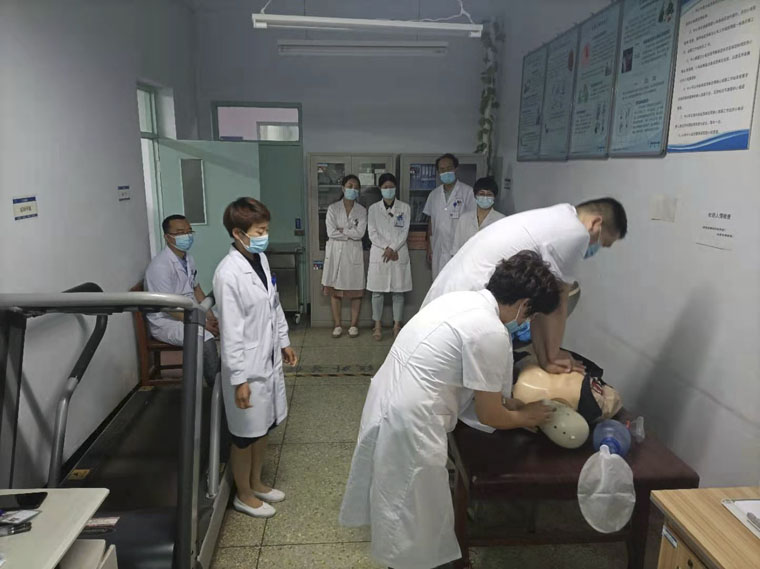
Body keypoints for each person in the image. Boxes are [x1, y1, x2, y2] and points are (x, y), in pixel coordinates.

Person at [340, 251, 561, 569]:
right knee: (415, 523)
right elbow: (490, 415)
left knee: (402, 511)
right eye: (530, 316)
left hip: (390, 401)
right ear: (524, 304)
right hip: (414, 421)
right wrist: (528, 416)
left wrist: (509, 404)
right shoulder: (490, 330)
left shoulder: (461, 300)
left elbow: (465, 376)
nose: (525, 324)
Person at [422, 198, 628, 375]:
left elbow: (543, 304)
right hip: (467, 302)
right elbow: (557, 302)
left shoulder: (560, 216)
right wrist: (552, 358)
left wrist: (546, 355)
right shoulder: (576, 233)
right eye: (602, 243)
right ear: (596, 222)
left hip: (450, 294)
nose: (594, 248)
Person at [213, 197, 298, 518]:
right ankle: (243, 494)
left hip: (267, 357)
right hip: (246, 367)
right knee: (244, 437)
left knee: (263, 427)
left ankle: (257, 482)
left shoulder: (259, 259)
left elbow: (273, 305)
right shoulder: (227, 274)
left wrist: (284, 341)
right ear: (238, 233)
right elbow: (231, 332)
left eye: (266, 229)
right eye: (259, 231)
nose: (265, 236)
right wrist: (239, 380)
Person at [144, 214, 220, 385]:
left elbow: (196, 289)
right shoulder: (160, 267)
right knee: (205, 338)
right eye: (180, 233)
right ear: (167, 237)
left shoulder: (188, 259)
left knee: (230, 322)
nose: (186, 236)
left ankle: (232, 378)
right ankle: (214, 389)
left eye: (188, 231)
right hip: (167, 320)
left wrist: (209, 315)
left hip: (191, 311)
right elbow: (168, 308)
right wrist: (202, 323)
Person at [366, 173, 412, 341]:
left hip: (397, 252)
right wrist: (386, 247)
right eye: (385, 187)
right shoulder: (373, 209)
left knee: (398, 292)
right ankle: (377, 325)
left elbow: (404, 231)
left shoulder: (405, 208)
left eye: (391, 187)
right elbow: (372, 232)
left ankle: (396, 325)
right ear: (380, 188)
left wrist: (392, 248)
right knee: (377, 292)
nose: (388, 190)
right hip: (380, 252)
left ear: (396, 188)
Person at [322, 175, 368, 338]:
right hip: (336, 252)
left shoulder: (361, 210)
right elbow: (330, 232)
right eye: (349, 186)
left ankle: (353, 325)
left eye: (356, 187)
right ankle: (338, 325)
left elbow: (360, 234)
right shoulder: (333, 208)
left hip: (353, 252)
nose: (352, 189)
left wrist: (342, 230)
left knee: (355, 291)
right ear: (343, 188)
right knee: (335, 291)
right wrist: (349, 233)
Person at [423, 153, 476, 279]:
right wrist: (429, 247)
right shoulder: (434, 195)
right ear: (438, 172)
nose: (445, 172)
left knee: (457, 283)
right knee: (438, 283)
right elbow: (431, 221)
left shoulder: (468, 192)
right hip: (438, 248)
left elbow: (474, 221)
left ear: (455, 169)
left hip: (460, 248)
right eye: (442, 169)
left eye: (449, 168)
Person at [452, 176, 505, 253]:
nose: (485, 197)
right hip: (467, 259)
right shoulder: (464, 219)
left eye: (489, 194)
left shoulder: (502, 220)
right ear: (475, 196)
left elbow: (503, 249)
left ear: (494, 197)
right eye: (481, 194)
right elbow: (456, 248)